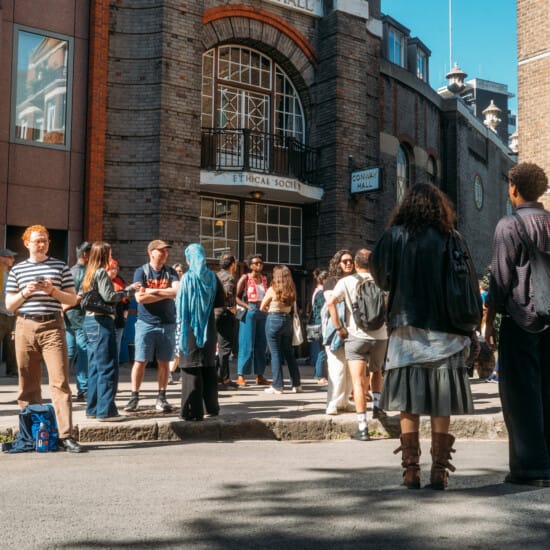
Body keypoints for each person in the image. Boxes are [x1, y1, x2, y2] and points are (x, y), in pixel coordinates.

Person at [371, 184, 475, 490]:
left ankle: (411, 470)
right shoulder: (452, 237)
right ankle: (440, 471)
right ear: (440, 207)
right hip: (448, 330)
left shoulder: (394, 236)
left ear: (407, 206)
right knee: (441, 402)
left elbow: (380, 276)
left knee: (409, 401)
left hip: (407, 328)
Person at [485, 162, 550, 487]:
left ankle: (530, 468)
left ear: (513, 188)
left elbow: (499, 280)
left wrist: (488, 324)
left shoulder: (508, 226)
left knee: (521, 396)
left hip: (521, 320)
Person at [5, 225, 84, 452]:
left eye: (45, 240)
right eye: (37, 240)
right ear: (27, 243)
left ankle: (65, 435)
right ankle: (30, 433)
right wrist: (25, 292)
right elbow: (10, 305)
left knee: (60, 381)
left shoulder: (60, 267)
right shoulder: (18, 270)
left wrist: (52, 292)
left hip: (52, 325)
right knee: (27, 383)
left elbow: (72, 299)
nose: (42, 244)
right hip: (24, 325)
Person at [326, 249, 388, 441]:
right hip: (380, 336)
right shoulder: (382, 280)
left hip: (357, 336)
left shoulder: (346, 281)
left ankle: (363, 427)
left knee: (358, 382)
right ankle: (378, 408)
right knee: (377, 371)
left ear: (355, 263)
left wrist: (339, 328)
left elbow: (331, 302)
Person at [81, 242, 138, 421]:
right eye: (110, 252)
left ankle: (93, 409)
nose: (111, 255)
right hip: (102, 321)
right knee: (107, 367)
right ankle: (106, 411)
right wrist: (129, 290)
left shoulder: (88, 273)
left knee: (95, 367)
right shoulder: (101, 272)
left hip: (89, 321)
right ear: (105, 254)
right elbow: (109, 297)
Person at [124, 240, 180, 413]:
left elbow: (177, 292)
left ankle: (162, 397)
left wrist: (151, 291)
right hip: (145, 323)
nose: (164, 254)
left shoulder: (171, 272)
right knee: (140, 361)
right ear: (151, 252)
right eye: (160, 251)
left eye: (166, 251)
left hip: (167, 324)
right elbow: (139, 299)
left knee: (164, 362)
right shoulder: (141, 271)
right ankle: (134, 397)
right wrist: (164, 294)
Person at [176, 243, 224, 420]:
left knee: (191, 369)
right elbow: (221, 301)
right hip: (209, 328)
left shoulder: (187, 279)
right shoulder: (213, 277)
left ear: (189, 260)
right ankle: (211, 408)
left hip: (190, 329)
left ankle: (192, 412)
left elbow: (180, 307)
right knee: (208, 367)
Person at [260, 265, 302, 394]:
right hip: (287, 321)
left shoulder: (272, 289)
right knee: (289, 353)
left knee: (275, 353)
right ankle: (296, 384)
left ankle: (278, 385)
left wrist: (270, 309)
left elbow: (262, 307)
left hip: (274, 319)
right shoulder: (292, 290)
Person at [323, 249, 355, 415]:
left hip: (353, 329)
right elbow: (332, 304)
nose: (349, 263)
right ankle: (332, 403)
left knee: (350, 370)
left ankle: (344, 401)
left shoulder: (355, 280)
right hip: (336, 330)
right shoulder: (331, 281)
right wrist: (338, 328)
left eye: (351, 260)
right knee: (337, 368)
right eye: (345, 261)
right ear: (338, 264)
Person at [235, 253, 269, 386]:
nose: (259, 265)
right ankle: (241, 375)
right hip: (250, 310)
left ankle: (260, 375)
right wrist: (247, 306)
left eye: (261, 262)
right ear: (250, 266)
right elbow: (236, 297)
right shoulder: (245, 278)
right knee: (246, 343)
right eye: (256, 263)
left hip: (263, 311)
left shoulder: (265, 279)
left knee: (261, 344)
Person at [63, 241, 91, 401]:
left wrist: (62, 310)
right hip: (80, 318)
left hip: (69, 318)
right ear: (86, 254)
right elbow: (79, 297)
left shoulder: (69, 271)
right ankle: (83, 388)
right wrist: (63, 309)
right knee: (83, 353)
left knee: (69, 353)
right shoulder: (87, 273)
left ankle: (62, 387)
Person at [215, 253, 238, 389]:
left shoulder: (216, 275)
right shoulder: (230, 277)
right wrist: (231, 307)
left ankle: (225, 378)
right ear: (233, 264)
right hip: (225, 314)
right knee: (225, 348)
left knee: (218, 348)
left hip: (214, 314)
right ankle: (220, 378)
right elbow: (227, 293)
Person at [107, 258, 130, 361]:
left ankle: (114, 370)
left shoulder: (120, 280)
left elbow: (126, 302)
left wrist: (125, 317)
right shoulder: (103, 281)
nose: (114, 271)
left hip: (119, 320)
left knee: (116, 348)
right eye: (112, 268)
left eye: (116, 268)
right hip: (105, 321)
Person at [308, 269, 328, 386]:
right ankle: (320, 375)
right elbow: (323, 310)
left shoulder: (316, 292)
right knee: (323, 351)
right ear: (323, 280)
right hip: (321, 324)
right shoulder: (321, 293)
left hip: (318, 324)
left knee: (321, 350)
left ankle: (318, 373)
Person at [0, 248, 18, 377]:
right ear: (1, 258)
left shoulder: (10, 274)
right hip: (1, 313)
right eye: (10, 257)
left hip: (11, 314)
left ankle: (12, 370)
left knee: (11, 344)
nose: (13, 259)